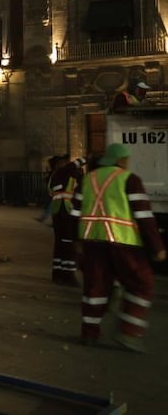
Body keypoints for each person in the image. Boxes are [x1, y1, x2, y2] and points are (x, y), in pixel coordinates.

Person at [70, 143, 166, 352]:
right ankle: (129, 332)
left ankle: (89, 334)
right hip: (124, 244)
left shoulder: (87, 180)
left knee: (94, 288)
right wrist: (157, 247)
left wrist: (76, 243)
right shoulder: (129, 179)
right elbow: (144, 217)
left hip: (92, 243)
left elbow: (74, 214)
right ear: (121, 160)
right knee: (142, 284)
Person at [48, 155, 87, 286]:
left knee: (61, 244)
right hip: (64, 212)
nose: (66, 164)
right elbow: (71, 167)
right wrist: (86, 158)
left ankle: (58, 273)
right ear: (56, 165)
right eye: (62, 162)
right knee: (68, 243)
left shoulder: (61, 175)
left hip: (60, 212)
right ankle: (68, 275)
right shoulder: (60, 172)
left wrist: (80, 176)